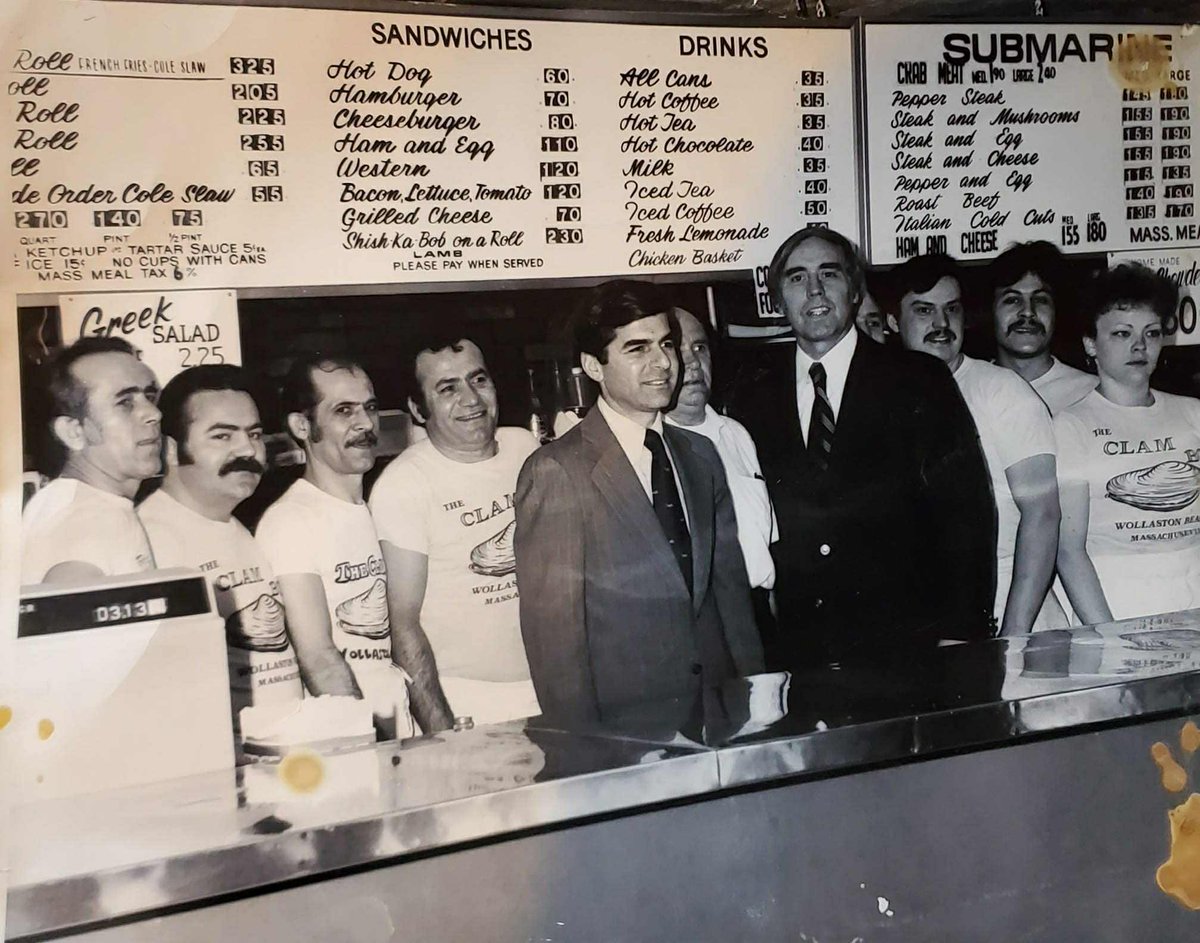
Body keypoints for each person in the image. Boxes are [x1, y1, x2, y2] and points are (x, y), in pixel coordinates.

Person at [726, 227, 996, 668]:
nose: (814, 289)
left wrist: (960, 636)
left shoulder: (918, 380)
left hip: (905, 649)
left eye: (828, 274)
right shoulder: (751, 390)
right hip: (797, 652)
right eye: (797, 278)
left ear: (854, 290)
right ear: (778, 300)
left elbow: (966, 515)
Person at [515, 280, 764, 723]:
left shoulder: (701, 455)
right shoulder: (557, 471)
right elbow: (556, 645)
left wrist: (756, 703)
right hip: (628, 725)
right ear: (594, 365)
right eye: (637, 349)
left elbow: (732, 602)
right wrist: (586, 752)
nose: (663, 363)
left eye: (666, 344)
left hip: (718, 712)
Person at [886, 254, 1067, 635]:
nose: (941, 324)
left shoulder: (1002, 391)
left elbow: (1043, 516)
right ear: (892, 321)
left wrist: (1012, 636)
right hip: (919, 615)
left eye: (951, 309)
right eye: (923, 310)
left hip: (1010, 606)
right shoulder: (880, 397)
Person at [369, 329, 541, 729]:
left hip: (554, 686)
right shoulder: (405, 484)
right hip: (469, 701)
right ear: (417, 408)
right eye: (447, 389)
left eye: (478, 379)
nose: (471, 399)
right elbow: (401, 623)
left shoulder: (524, 448)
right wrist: (441, 729)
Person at [255, 355, 416, 739]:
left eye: (370, 408)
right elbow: (318, 657)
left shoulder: (375, 507)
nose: (365, 424)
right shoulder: (290, 521)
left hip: (399, 728)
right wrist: (373, 743)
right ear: (301, 425)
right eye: (344, 411)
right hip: (352, 740)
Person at [138, 365, 304, 719]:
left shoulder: (234, 523)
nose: (248, 449)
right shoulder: (152, 540)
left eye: (254, 434)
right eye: (223, 436)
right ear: (171, 450)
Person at [1053, 263, 1200, 622]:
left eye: (1151, 333)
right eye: (1121, 333)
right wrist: (1107, 636)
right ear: (1091, 343)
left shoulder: (1193, 413)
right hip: (1117, 604)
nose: (1139, 345)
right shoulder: (1070, 426)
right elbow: (1069, 551)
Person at [22, 337, 160, 584]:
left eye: (150, 397)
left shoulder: (81, 503)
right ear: (73, 432)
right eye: (125, 403)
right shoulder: (87, 520)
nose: (154, 413)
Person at [665, 307, 778, 598]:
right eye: (678, 350)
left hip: (760, 611)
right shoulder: (654, 447)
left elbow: (767, 544)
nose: (692, 363)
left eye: (699, 347)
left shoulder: (736, 433)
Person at [990, 241, 1096, 415]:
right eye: (1012, 300)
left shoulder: (1090, 393)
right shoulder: (969, 387)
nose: (1027, 312)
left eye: (1040, 300)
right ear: (991, 310)